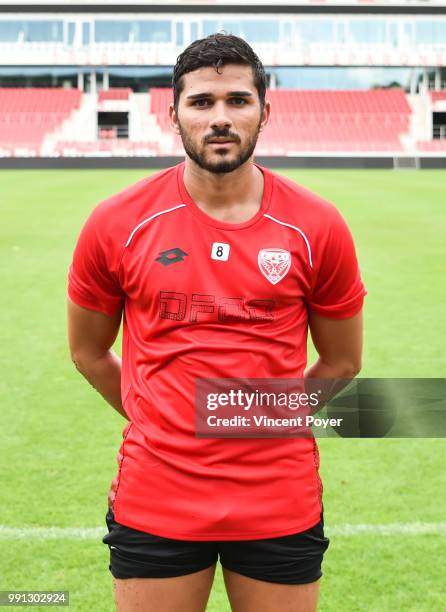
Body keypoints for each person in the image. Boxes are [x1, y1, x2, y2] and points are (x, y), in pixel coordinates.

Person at [67, 33, 366, 612]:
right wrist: (161, 416)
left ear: (265, 111)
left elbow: (343, 359)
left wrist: (261, 417)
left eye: (237, 100)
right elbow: (87, 350)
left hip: (278, 494)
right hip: (158, 493)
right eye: (202, 102)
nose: (220, 117)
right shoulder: (116, 223)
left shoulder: (317, 225)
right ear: (173, 113)